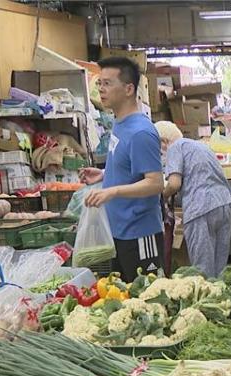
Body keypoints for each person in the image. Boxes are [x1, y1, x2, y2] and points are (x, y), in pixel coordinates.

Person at [79, 57, 164, 282]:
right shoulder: (119, 123)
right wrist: (105, 175)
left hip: (140, 234)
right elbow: (132, 168)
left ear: (128, 89)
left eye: (107, 83)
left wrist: (112, 191)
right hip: (118, 231)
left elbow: (156, 182)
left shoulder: (141, 132)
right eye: (100, 83)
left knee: (147, 299)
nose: (101, 89)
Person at [154, 121, 231, 278]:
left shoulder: (175, 148)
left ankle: (207, 300)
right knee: (220, 268)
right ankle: (223, 298)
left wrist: (160, 197)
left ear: (164, 142)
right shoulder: (200, 146)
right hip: (224, 203)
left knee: (202, 269)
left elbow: (174, 183)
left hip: (200, 208)